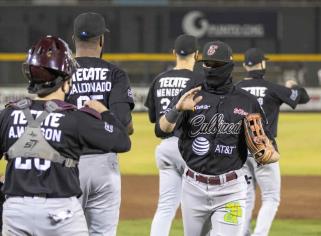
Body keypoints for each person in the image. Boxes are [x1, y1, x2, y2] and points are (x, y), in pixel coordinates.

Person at [0, 35, 131, 236]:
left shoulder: (8, 115)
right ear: (65, 81)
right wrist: (104, 113)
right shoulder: (75, 119)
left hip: (15, 210)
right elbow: (122, 141)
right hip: (61, 214)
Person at [159, 41, 279, 236]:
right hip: (192, 187)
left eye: (217, 65)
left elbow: (270, 147)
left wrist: (270, 154)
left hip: (231, 190)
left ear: (229, 65)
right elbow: (162, 130)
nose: (211, 69)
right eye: (207, 64)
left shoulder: (246, 101)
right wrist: (177, 110)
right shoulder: (191, 94)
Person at [67, 12, 135, 236]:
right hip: (103, 164)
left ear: (73, 38)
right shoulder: (115, 73)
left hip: (66, 163)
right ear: (102, 40)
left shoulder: (61, 73)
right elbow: (124, 126)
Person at [236, 48, 310, 236]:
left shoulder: (234, 89)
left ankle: (241, 233)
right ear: (263, 64)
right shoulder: (271, 88)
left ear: (245, 66)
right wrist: (294, 86)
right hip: (263, 147)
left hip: (239, 149)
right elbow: (303, 97)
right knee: (271, 198)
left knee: (245, 196)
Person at [145, 34, 202, 236]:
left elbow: (154, 119)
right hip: (191, 149)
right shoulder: (199, 80)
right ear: (197, 54)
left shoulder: (159, 79)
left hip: (166, 148)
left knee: (166, 206)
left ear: (174, 53)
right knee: (196, 208)